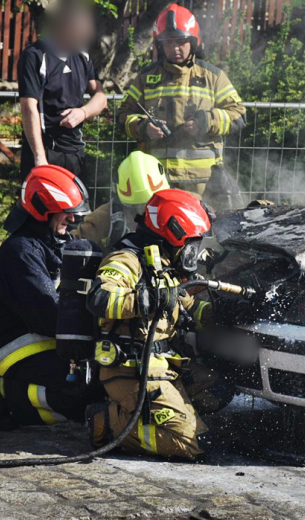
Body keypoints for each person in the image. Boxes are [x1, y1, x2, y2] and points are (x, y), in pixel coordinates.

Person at [84, 189, 237, 460]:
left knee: (219, 389)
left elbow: (186, 306)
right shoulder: (126, 259)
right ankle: (107, 423)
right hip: (132, 369)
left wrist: (224, 314)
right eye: (192, 243)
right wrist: (145, 300)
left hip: (165, 365)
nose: (194, 251)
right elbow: (100, 298)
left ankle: (161, 412)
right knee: (196, 444)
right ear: (174, 234)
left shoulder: (164, 264)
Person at [0, 165, 95, 430]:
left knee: (99, 381)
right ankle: (1, 393)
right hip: (15, 344)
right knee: (80, 396)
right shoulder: (20, 252)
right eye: (68, 214)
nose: (73, 221)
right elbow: (48, 315)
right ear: (44, 210)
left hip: (48, 337)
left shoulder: (53, 243)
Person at [115, 4, 247, 207]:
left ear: (193, 42)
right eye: (168, 42)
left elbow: (238, 115)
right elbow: (123, 116)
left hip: (205, 185)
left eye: (180, 41)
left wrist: (207, 121)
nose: (174, 48)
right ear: (159, 45)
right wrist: (143, 127)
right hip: (157, 182)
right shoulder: (145, 79)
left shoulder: (213, 77)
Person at [18, 0, 108, 178]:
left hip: (75, 153)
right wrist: (40, 158)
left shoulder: (82, 55)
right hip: (46, 152)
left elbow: (101, 98)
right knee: (42, 205)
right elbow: (29, 108)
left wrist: (83, 112)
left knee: (76, 206)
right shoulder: (34, 56)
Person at [73, 151, 170, 253]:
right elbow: (74, 245)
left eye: (151, 206)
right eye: (134, 208)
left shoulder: (177, 213)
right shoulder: (104, 217)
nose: (143, 214)